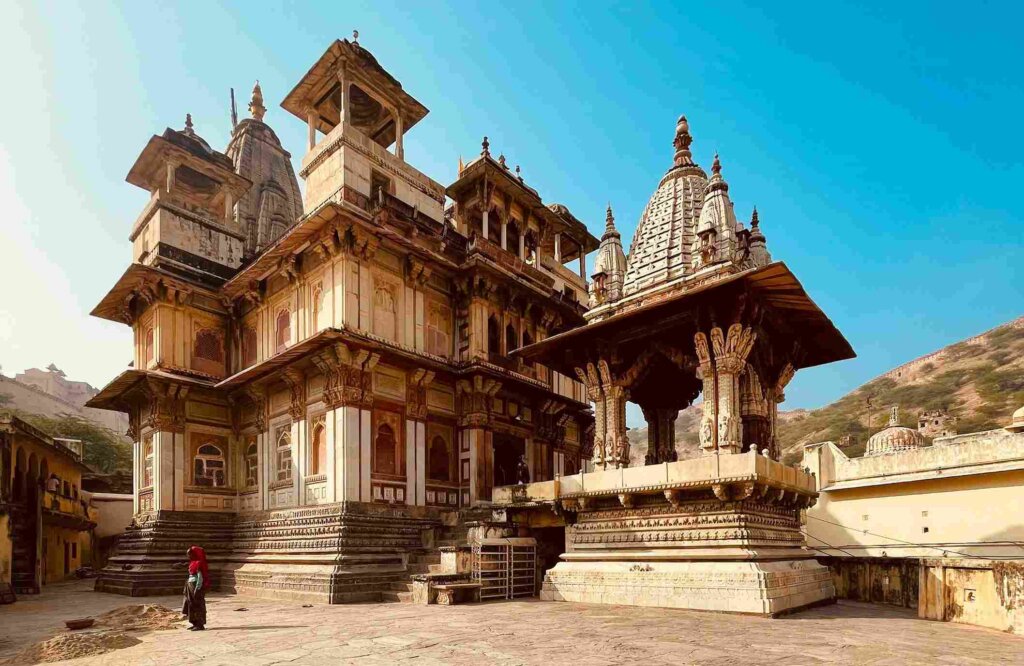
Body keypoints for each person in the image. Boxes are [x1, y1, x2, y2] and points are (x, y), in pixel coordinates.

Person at [181, 545, 209, 630]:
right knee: (190, 604)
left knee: (198, 605)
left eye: (190, 554)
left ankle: (200, 624)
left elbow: (200, 577)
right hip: (190, 585)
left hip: (196, 586)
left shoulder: (199, 564)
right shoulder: (193, 563)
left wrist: (197, 588)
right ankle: (194, 622)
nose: (188, 556)